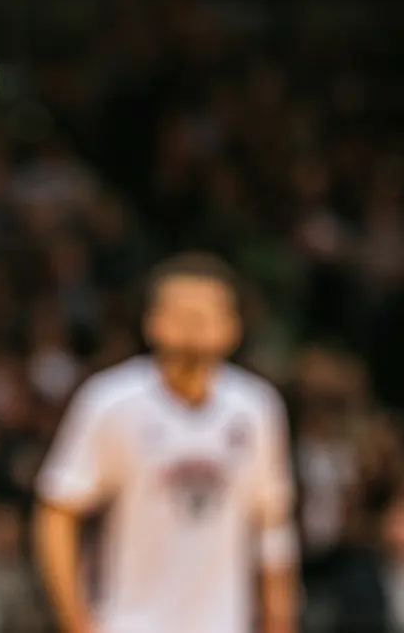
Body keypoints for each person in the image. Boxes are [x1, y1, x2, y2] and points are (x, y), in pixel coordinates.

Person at [33, 252, 297, 633]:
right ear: (152, 322)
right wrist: (75, 620)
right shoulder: (109, 401)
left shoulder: (257, 407)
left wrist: (279, 618)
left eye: (205, 312)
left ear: (232, 326)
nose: (193, 322)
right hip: (125, 622)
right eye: (180, 311)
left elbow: (272, 525)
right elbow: (57, 511)